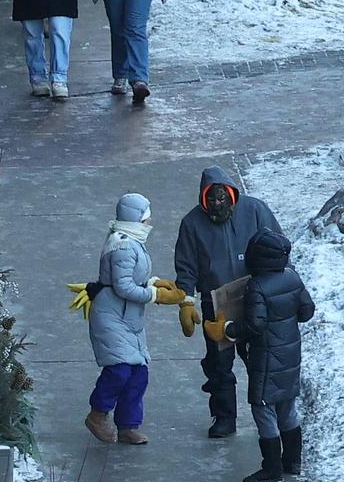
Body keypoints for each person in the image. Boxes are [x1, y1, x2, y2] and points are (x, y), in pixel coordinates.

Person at [173, 165, 279, 439]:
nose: (217, 205)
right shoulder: (192, 224)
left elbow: (277, 247)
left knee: (261, 358)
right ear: (203, 199)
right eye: (212, 200)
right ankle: (224, 416)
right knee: (219, 364)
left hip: (254, 298)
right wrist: (186, 300)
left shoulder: (256, 211)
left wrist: (277, 284)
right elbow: (186, 267)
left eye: (222, 199)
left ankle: (272, 412)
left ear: (232, 196)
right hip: (216, 303)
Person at [234, 231, 317, 482]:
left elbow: (255, 325)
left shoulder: (256, 286)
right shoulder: (292, 277)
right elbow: (306, 311)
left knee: (263, 409)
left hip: (266, 358)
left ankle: (271, 469)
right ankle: (293, 461)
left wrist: (229, 330)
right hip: (290, 356)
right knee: (287, 408)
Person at [84, 192, 158, 446]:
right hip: (111, 315)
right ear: (136, 219)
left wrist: (153, 283)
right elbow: (124, 286)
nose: (150, 223)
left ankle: (128, 425)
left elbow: (134, 279)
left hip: (129, 316)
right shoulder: (124, 245)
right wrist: (153, 294)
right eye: (147, 218)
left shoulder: (133, 241)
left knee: (139, 373)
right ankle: (97, 415)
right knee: (119, 370)